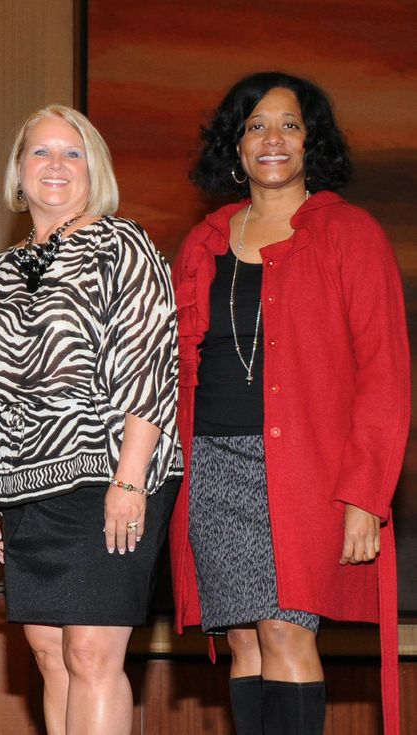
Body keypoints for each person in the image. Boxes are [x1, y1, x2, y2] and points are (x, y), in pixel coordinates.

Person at [169, 71, 408, 735]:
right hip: (213, 470)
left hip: (305, 476)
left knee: (284, 631)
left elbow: (384, 374)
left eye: (290, 125)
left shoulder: (350, 234)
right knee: (245, 640)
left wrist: (366, 494)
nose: (272, 138)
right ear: (236, 146)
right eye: (255, 126)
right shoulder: (203, 244)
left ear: (312, 142)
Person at [0, 104, 182, 735]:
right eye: (41, 152)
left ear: (95, 170)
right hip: (22, 490)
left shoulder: (124, 244)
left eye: (72, 152)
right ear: (18, 170)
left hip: (110, 480)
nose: (54, 165)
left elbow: (151, 367)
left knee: (90, 652)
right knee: (51, 658)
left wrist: (130, 479)